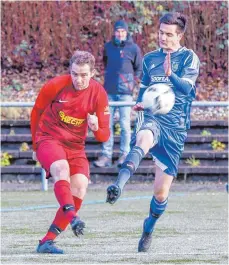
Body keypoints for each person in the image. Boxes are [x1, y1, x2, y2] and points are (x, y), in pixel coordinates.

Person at [106, 12, 200, 252]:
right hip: (152, 117)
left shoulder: (190, 58)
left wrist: (171, 76)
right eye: (160, 33)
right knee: (143, 137)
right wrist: (139, 103)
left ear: (179, 35)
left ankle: (148, 228)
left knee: (160, 194)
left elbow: (187, 90)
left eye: (169, 35)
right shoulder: (149, 59)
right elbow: (145, 90)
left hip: (175, 128)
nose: (163, 38)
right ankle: (118, 184)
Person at [31, 51, 110, 254]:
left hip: (75, 146)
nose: (79, 79)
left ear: (92, 73)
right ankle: (73, 217)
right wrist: (35, 146)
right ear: (70, 71)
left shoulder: (99, 94)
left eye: (84, 75)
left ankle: (46, 242)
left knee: (80, 189)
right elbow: (36, 112)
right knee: (61, 168)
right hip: (49, 138)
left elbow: (104, 136)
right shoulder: (56, 85)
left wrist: (95, 128)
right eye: (75, 74)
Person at [93, 20, 142, 168]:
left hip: (126, 94)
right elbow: (106, 63)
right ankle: (106, 156)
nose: (120, 34)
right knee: (106, 124)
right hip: (109, 92)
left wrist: (133, 82)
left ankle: (124, 154)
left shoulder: (133, 48)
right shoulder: (108, 47)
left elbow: (139, 68)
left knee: (125, 124)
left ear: (126, 32)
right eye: (118, 31)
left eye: (123, 31)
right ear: (114, 32)